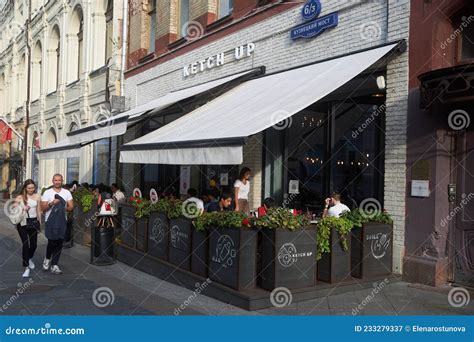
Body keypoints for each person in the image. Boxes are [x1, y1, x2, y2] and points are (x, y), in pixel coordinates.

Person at [41, 174, 74, 274]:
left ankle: (54, 265)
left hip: (62, 220)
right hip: (50, 220)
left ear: (62, 181)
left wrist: (64, 207)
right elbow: (43, 208)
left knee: (59, 242)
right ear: (52, 181)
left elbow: (71, 207)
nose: (57, 182)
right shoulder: (47, 192)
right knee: (52, 241)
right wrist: (52, 203)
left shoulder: (67, 192)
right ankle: (47, 259)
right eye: (55, 180)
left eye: (59, 180)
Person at [15, 180, 42, 278]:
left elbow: (39, 210)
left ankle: (29, 258)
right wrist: (22, 208)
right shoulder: (20, 197)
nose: (31, 190)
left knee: (34, 244)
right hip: (22, 223)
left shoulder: (37, 196)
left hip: (33, 222)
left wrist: (40, 222)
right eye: (29, 188)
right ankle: (26, 267)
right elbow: (14, 210)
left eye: (32, 187)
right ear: (25, 188)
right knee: (25, 244)